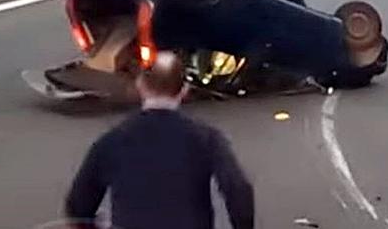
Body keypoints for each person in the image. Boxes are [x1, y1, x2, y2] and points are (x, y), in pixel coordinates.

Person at [65, 52, 254, 229]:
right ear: (184, 90)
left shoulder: (113, 140)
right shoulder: (206, 137)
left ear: (141, 85)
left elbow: (79, 204)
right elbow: (238, 188)